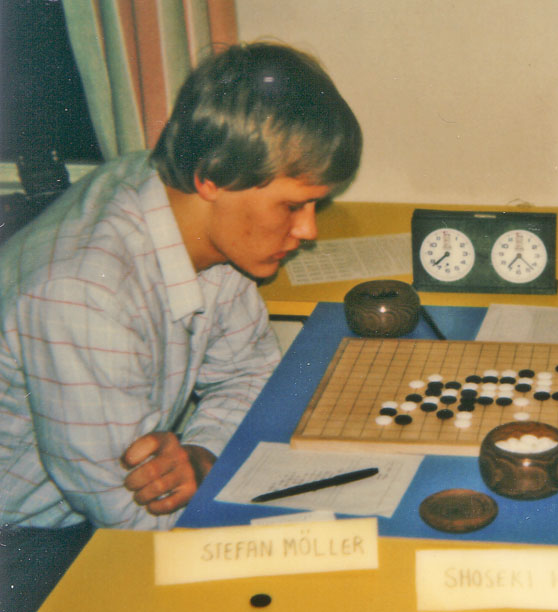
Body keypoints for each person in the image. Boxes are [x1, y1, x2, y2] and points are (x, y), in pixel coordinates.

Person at [0, 42, 361, 610]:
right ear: (212, 177)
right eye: (293, 206)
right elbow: (141, 523)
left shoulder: (184, 208)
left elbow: (252, 373)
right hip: (28, 543)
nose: (309, 231)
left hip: (101, 513)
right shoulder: (84, 296)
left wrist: (201, 455)